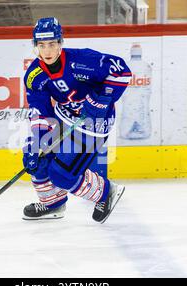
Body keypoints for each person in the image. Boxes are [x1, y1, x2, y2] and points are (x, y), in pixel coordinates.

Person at [22, 17, 131, 223]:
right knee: (36, 157)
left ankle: (106, 191)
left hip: (94, 123)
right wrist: (38, 142)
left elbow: (122, 71)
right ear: (35, 45)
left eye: (52, 44)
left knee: (61, 175)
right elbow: (40, 110)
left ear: (60, 42)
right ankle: (53, 204)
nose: (47, 51)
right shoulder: (34, 75)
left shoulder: (83, 60)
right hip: (64, 117)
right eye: (42, 45)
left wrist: (101, 99)